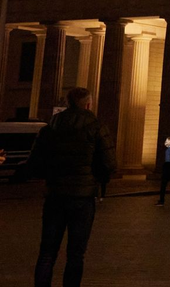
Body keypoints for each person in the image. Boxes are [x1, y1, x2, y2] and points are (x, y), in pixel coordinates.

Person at [27, 87, 116, 287]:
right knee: (76, 254)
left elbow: (34, 164)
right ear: (88, 104)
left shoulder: (49, 128)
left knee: (47, 253)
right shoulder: (97, 127)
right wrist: (96, 178)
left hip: (55, 195)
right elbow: (110, 164)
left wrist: (52, 174)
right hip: (82, 198)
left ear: (67, 103)